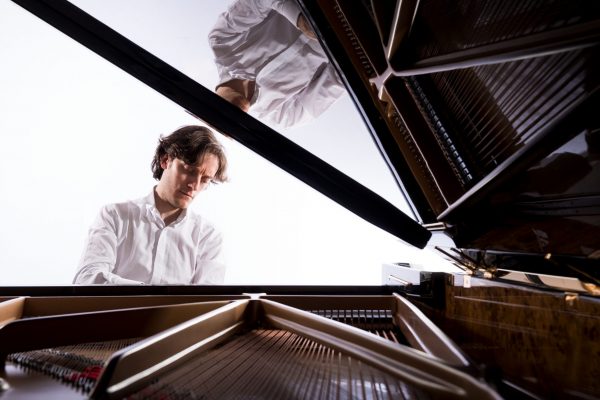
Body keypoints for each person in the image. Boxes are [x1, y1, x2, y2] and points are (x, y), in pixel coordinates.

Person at [73, 125, 228, 285]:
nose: (194, 185)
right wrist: (150, 295)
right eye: (189, 171)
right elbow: (87, 279)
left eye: (204, 180)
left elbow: (206, 300)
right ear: (165, 160)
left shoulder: (209, 237)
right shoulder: (114, 216)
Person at [208, 0, 345, 129]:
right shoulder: (286, 117)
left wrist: (299, 19)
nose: (231, 125)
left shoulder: (221, 41)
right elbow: (342, 79)